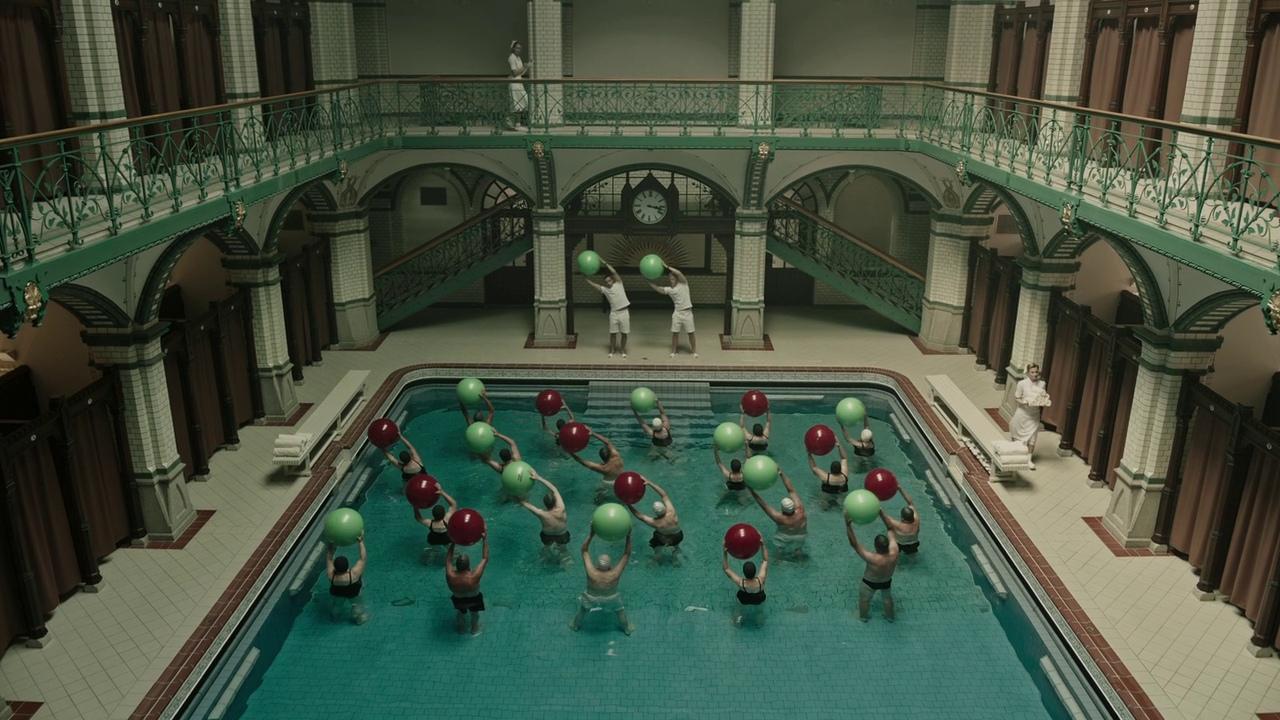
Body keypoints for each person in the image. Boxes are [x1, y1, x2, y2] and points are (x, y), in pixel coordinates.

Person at [570, 526, 634, 635]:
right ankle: (627, 629)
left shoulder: (591, 571)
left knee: (583, 611)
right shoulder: (615, 573)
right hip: (611, 598)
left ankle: (575, 626)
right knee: (620, 611)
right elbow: (627, 554)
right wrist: (628, 536)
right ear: (610, 566)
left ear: (597, 565)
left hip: (591, 597)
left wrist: (591, 534)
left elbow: (584, 550)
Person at [846, 515, 899, 622]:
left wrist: (848, 525)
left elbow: (854, 544)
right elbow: (890, 529)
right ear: (888, 545)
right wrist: (880, 512)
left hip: (870, 582)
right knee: (887, 599)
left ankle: (864, 618)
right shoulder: (895, 552)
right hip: (886, 582)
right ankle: (890, 617)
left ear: (876, 546)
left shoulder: (872, 558)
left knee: (864, 600)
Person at [748, 470, 807, 558]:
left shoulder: (779, 518)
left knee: (780, 551)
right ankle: (797, 551)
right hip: (801, 537)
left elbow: (763, 504)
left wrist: (750, 489)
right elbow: (791, 490)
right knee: (798, 548)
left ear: (782, 510)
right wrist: (781, 473)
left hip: (784, 538)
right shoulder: (801, 510)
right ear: (794, 507)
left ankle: (780, 558)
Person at [648, 265, 697, 358]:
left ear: (677, 279)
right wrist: (649, 282)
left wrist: (667, 267)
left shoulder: (684, 284)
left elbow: (679, 273)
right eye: (670, 279)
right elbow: (659, 289)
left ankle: (694, 351)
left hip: (687, 313)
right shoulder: (670, 290)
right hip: (677, 314)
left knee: (691, 333)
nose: (671, 281)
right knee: (675, 333)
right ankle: (674, 352)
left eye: (673, 279)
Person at [446, 534, 490, 635]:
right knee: (475, 614)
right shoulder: (474, 576)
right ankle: (474, 630)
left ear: (456, 566)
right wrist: (484, 540)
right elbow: (485, 558)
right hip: (474, 599)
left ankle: (461, 629)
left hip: (458, 600)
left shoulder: (450, 575)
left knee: (460, 613)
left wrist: (453, 542)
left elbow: (448, 559)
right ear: (469, 565)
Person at [584, 261, 630, 358]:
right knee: (613, 333)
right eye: (606, 282)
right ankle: (612, 350)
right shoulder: (606, 290)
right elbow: (596, 286)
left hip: (624, 313)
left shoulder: (619, 283)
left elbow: (614, 272)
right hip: (614, 314)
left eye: (609, 281)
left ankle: (622, 350)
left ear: (613, 280)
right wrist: (587, 280)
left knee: (624, 333)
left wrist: (605, 264)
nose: (608, 283)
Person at [626, 478, 683, 556]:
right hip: (678, 536)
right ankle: (675, 554)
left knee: (656, 544)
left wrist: (628, 504)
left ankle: (656, 558)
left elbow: (640, 516)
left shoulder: (656, 523)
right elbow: (664, 495)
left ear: (655, 513)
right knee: (675, 542)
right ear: (665, 508)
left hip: (663, 539)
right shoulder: (671, 512)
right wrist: (650, 483)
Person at [518, 472, 570, 556]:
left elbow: (525, 504)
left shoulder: (541, 513)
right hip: (561, 534)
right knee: (563, 550)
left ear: (545, 505)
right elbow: (554, 489)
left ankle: (544, 558)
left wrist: (518, 494)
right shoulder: (561, 508)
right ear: (555, 501)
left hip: (547, 535)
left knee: (546, 548)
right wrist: (538, 477)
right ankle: (566, 561)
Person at [568, 429, 625, 503]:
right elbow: (607, 442)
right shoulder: (616, 455)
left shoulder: (603, 468)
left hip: (609, 484)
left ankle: (598, 500)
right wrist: (593, 433)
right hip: (621, 480)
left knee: (601, 492)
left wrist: (570, 452)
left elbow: (583, 462)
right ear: (610, 453)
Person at [1010, 363, 1049, 470]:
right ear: (1027, 373)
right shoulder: (1022, 384)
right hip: (1022, 413)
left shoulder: (1042, 384)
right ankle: (1016, 456)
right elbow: (1017, 398)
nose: (1035, 374)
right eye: (1032, 372)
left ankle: (1029, 459)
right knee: (1017, 434)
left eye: (1036, 372)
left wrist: (1043, 402)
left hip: (1034, 415)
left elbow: (1043, 397)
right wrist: (1024, 402)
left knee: (1032, 438)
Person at [326, 535, 368, 624]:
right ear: (347, 566)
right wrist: (360, 542)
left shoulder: (331, 576)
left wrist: (331, 544)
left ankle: (335, 617)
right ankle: (359, 619)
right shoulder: (354, 574)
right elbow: (362, 558)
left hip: (338, 593)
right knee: (356, 605)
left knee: (337, 605)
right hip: (353, 594)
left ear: (335, 568)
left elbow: (329, 558)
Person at [723, 544, 769, 626]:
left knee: (739, 610)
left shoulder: (741, 582)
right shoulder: (761, 579)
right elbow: (765, 560)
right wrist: (762, 545)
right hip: (758, 599)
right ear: (755, 571)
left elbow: (726, 569)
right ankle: (759, 622)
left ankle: (738, 620)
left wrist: (725, 553)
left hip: (744, 600)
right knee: (759, 611)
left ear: (744, 573)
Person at [414, 487, 458, 560]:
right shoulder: (447, 519)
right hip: (446, 539)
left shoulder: (429, 523)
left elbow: (418, 518)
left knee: (432, 551)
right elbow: (453, 504)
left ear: (433, 515)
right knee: (454, 552)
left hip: (434, 540)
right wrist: (442, 493)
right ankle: (453, 562)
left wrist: (415, 507)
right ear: (444, 514)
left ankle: (429, 560)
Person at [880, 486, 920, 557]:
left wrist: (879, 509)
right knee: (912, 557)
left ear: (903, 519)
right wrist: (900, 489)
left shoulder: (898, 525)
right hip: (913, 544)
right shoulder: (917, 520)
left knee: (890, 532)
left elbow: (885, 517)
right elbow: (910, 503)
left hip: (900, 545)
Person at [808, 442, 850, 507]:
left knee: (824, 504)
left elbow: (814, 467)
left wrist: (809, 454)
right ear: (840, 469)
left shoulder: (825, 478)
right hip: (840, 494)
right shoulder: (845, 476)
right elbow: (844, 458)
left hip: (827, 494)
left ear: (830, 470)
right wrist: (839, 446)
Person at [506, 41, 531, 130]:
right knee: (517, 104)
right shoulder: (511, 58)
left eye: (520, 48)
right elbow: (514, 73)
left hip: (519, 82)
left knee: (524, 102)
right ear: (513, 48)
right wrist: (524, 67)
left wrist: (527, 67)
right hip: (514, 83)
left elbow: (520, 73)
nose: (518, 50)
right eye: (517, 48)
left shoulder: (518, 58)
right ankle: (516, 124)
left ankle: (516, 123)